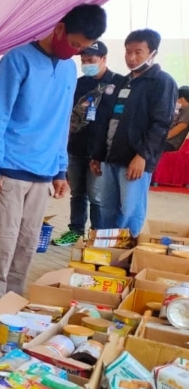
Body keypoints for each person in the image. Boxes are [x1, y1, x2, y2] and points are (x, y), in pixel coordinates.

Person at [0, 4, 107, 330]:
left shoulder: (66, 71)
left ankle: (11, 315)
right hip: (7, 171)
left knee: (25, 250)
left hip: (43, 173)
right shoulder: (17, 60)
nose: (75, 52)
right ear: (59, 29)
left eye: (82, 49)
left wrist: (60, 170)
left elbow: (61, 123)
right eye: (74, 44)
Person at [90, 29, 177, 237]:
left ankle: (129, 258)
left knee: (130, 212)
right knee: (107, 210)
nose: (131, 57)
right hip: (112, 158)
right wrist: (98, 154)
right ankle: (108, 255)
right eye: (128, 52)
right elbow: (108, 120)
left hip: (135, 161)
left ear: (153, 53)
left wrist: (142, 157)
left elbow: (160, 125)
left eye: (138, 52)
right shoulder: (122, 82)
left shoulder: (162, 82)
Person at [52, 41, 124, 246]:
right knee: (77, 193)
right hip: (76, 147)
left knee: (97, 196)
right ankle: (75, 230)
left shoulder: (119, 83)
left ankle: (97, 235)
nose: (86, 64)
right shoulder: (79, 83)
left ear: (104, 59)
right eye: (83, 61)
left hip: (100, 152)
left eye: (91, 60)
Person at [166, 86, 189, 152]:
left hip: (170, 142)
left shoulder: (187, 108)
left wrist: (163, 138)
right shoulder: (182, 110)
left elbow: (181, 126)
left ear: (181, 99)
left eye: (175, 98)